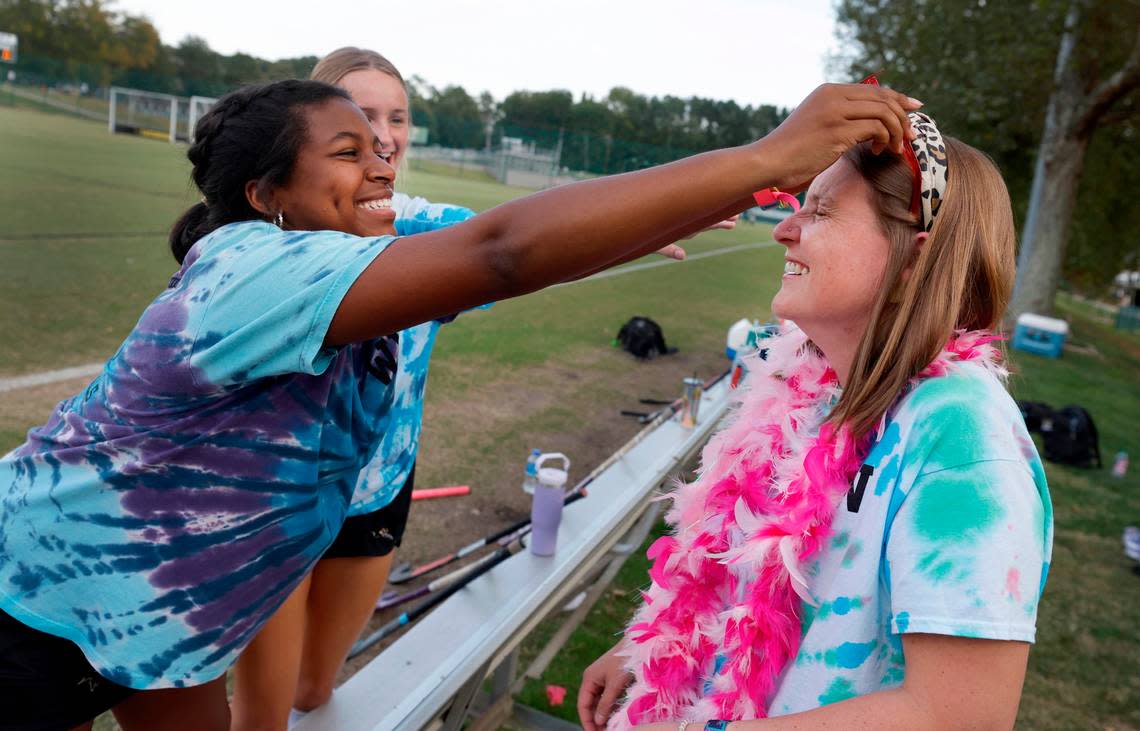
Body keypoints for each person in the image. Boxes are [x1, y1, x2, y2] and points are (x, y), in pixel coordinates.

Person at [0, 76, 919, 731]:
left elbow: (535, 255)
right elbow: (504, 253)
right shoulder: (255, 267)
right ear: (264, 195)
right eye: (348, 149)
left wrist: (750, 188)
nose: (382, 158)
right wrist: (764, 152)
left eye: (384, 141)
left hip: (158, 626)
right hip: (31, 607)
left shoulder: (361, 268)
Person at [229, 47, 725, 731]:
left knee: (314, 690)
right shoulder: (264, 250)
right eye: (360, 115)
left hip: (378, 491)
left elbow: (534, 245)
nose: (383, 133)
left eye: (396, 116)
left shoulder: (425, 227)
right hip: (276, 506)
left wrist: (664, 219)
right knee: (261, 715)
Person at [578, 90, 1054, 731]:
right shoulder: (803, 390)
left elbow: (960, 714)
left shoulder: (962, 434)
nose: (785, 228)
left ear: (916, 253)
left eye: (823, 211)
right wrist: (647, 651)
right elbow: (745, 581)